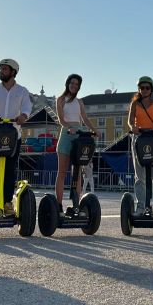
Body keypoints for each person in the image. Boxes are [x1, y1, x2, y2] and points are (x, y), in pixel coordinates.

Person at [0, 59, 32, 216]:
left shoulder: (22, 91)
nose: (1, 71)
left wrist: (23, 116)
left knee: (10, 170)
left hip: (13, 136)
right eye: (1, 69)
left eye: (4, 69)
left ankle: (8, 203)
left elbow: (27, 108)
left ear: (13, 72)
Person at [54, 74, 100, 214]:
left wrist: (94, 130)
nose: (74, 86)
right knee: (62, 172)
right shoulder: (61, 100)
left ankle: (76, 204)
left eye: (77, 84)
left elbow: (84, 118)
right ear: (68, 83)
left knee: (78, 173)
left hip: (78, 135)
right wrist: (69, 127)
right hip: (67, 134)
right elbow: (61, 119)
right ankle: (59, 204)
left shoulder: (79, 102)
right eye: (72, 83)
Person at [127, 76, 153, 217]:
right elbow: (131, 119)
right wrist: (133, 127)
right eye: (141, 88)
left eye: (147, 87)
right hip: (139, 138)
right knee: (139, 176)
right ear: (139, 89)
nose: (144, 90)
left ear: (151, 89)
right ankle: (141, 207)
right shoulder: (135, 103)